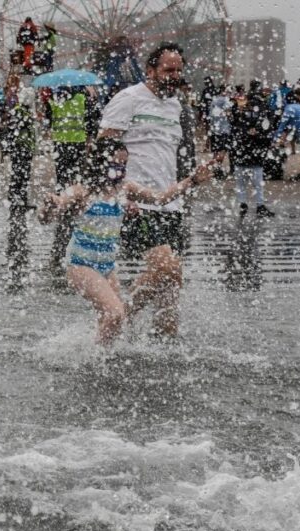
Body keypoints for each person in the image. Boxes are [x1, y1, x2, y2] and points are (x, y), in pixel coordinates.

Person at [38, 139, 214, 345]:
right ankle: (97, 360)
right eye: (115, 164)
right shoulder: (81, 191)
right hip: (81, 266)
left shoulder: (124, 189)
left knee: (112, 319)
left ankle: (99, 353)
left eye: (124, 164)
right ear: (99, 163)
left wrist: (191, 181)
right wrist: (50, 206)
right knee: (116, 314)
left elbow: (160, 198)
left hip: (107, 267)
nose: (120, 169)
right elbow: (49, 216)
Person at [97, 42, 201, 338]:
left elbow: (173, 155)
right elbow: (104, 148)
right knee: (167, 268)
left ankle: (164, 349)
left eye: (179, 70)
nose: (175, 75)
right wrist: (119, 194)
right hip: (138, 204)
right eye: (169, 70)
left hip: (171, 205)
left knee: (171, 288)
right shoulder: (128, 99)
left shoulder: (176, 106)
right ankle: (118, 317)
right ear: (150, 70)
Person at [45, 85, 91, 275]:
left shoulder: (55, 100)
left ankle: (62, 199)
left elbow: (48, 119)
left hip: (60, 142)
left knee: (62, 175)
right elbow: (89, 119)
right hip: (78, 141)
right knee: (76, 175)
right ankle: (73, 201)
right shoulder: (82, 98)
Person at [3, 87, 37, 290]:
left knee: (22, 176)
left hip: (24, 148)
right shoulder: (20, 112)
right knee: (20, 176)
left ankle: (19, 198)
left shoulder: (23, 112)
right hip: (20, 149)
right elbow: (15, 129)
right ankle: (18, 199)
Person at [229, 89, 275, 217]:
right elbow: (267, 135)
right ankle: (259, 206)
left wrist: (246, 134)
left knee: (241, 184)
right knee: (258, 185)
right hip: (255, 156)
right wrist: (258, 135)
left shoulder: (240, 113)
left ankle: (242, 204)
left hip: (241, 155)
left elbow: (234, 131)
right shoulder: (263, 113)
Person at [274, 90, 300, 181]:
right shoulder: (298, 107)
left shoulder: (288, 109)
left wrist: (275, 139)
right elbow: (289, 126)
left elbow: (282, 126)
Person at [207, 85, 233, 180]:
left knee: (216, 151)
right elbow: (229, 112)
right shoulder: (225, 100)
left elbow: (210, 116)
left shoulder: (214, 100)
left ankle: (215, 169)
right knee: (222, 150)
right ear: (224, 91)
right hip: (224, 130)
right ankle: (218, 170)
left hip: (215, 130)